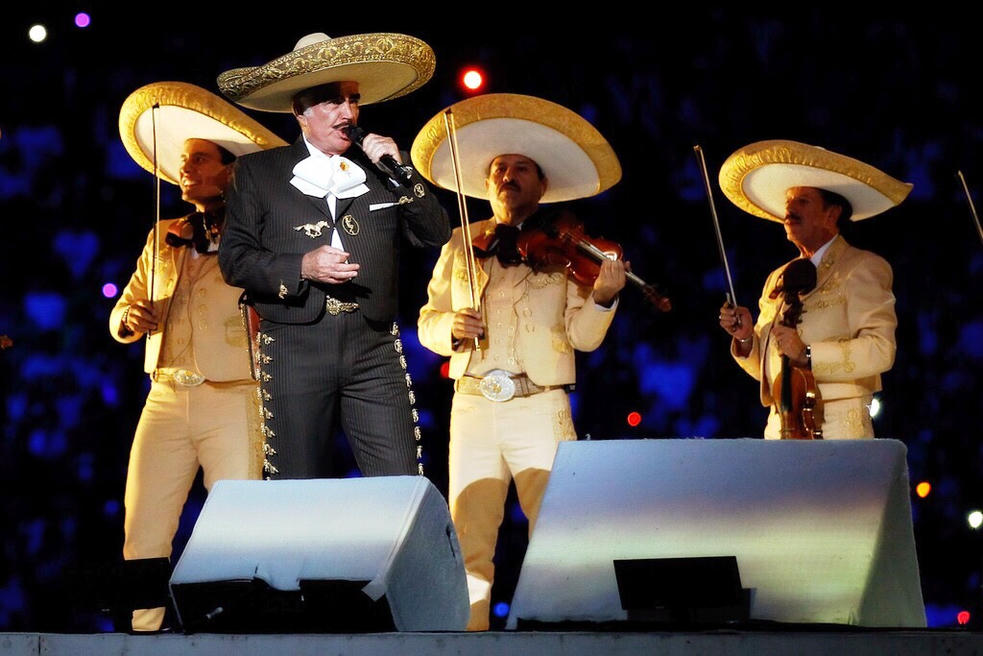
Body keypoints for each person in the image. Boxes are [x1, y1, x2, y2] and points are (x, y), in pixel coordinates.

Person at [413, 93, 626, 630]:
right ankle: (465, 639)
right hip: (474, 403)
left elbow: (583, 339)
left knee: (557, 530)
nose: (508, 176)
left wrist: (603, 298)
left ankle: (558, 633)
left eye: (521, 169)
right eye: (499, 169)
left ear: (542, 185)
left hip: (540, 405)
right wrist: (450, 328)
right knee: (468, 534)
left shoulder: (566, 248)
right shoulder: (461, 241)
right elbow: (427, 320)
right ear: (487, 184)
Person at [217, 33, 450, 479]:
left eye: (353, 100)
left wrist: (401, 172)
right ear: (299, 112)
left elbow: (435, 233)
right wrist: (301, 266)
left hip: (373, 346)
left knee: (399, 482)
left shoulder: (382, 170)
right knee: (298, 485)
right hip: (295, 345)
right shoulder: (259, 172)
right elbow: (235, 259)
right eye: (331, 101)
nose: (348, 113)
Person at [113, 81, 286, 630]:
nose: (185, 169)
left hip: (234, 394)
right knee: (143, 522)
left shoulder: (259, 231)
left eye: (199, 160)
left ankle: (231, 629)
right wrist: (129, 319)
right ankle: (143, 631)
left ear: (230, 172)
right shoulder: (163, 234)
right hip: (165, 394)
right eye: (184, 161)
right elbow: (124, 307)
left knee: (236, 519)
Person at [716, 139, 911, 439]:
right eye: (788, 202)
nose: (789, 209)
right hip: (780, 429)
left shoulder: (863, 267)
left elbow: (881, 350)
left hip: (839, 431)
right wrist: (746, 339)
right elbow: (766, 371)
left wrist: (807, 353)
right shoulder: (777, 278)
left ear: (831, 215)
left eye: (803, 201)